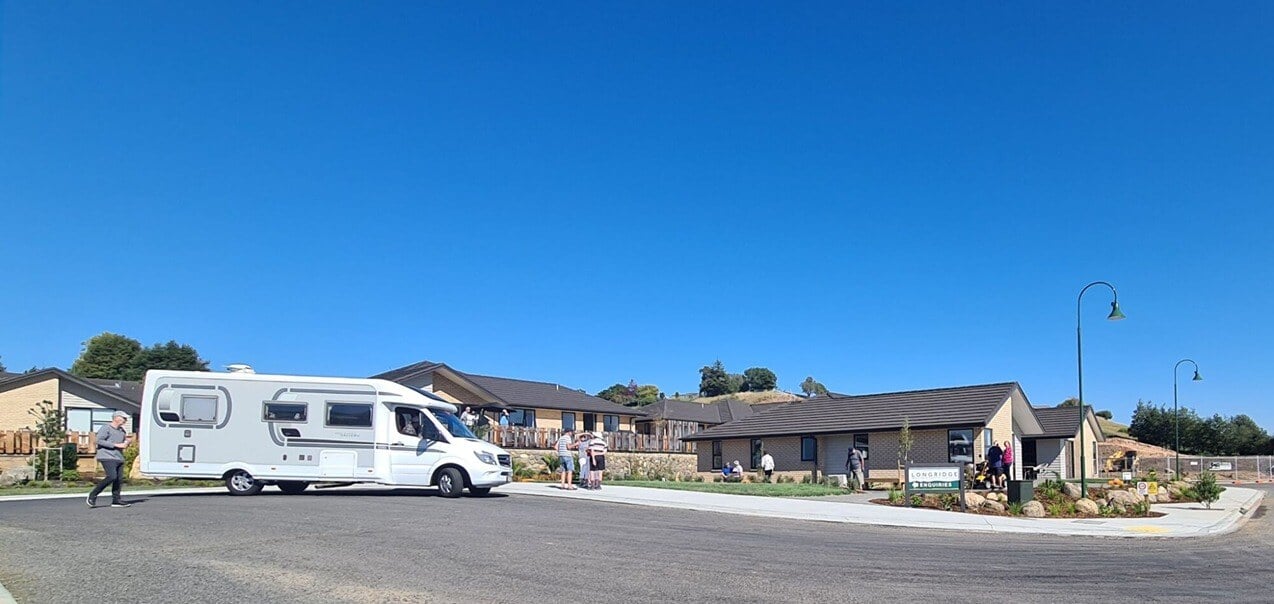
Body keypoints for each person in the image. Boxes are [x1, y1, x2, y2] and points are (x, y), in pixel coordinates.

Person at [87, 411, 132, 508]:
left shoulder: (122, 431)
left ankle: (116, 500)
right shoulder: (106, 428)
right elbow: (98, 440)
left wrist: (127, 442)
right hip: (106, 456)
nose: (125, 420)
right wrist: (115, 445)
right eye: (123, 418)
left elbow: (123, 443)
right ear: (116, 418)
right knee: (112, 476)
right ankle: (93, 495)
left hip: (118, 457)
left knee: (118, 479)